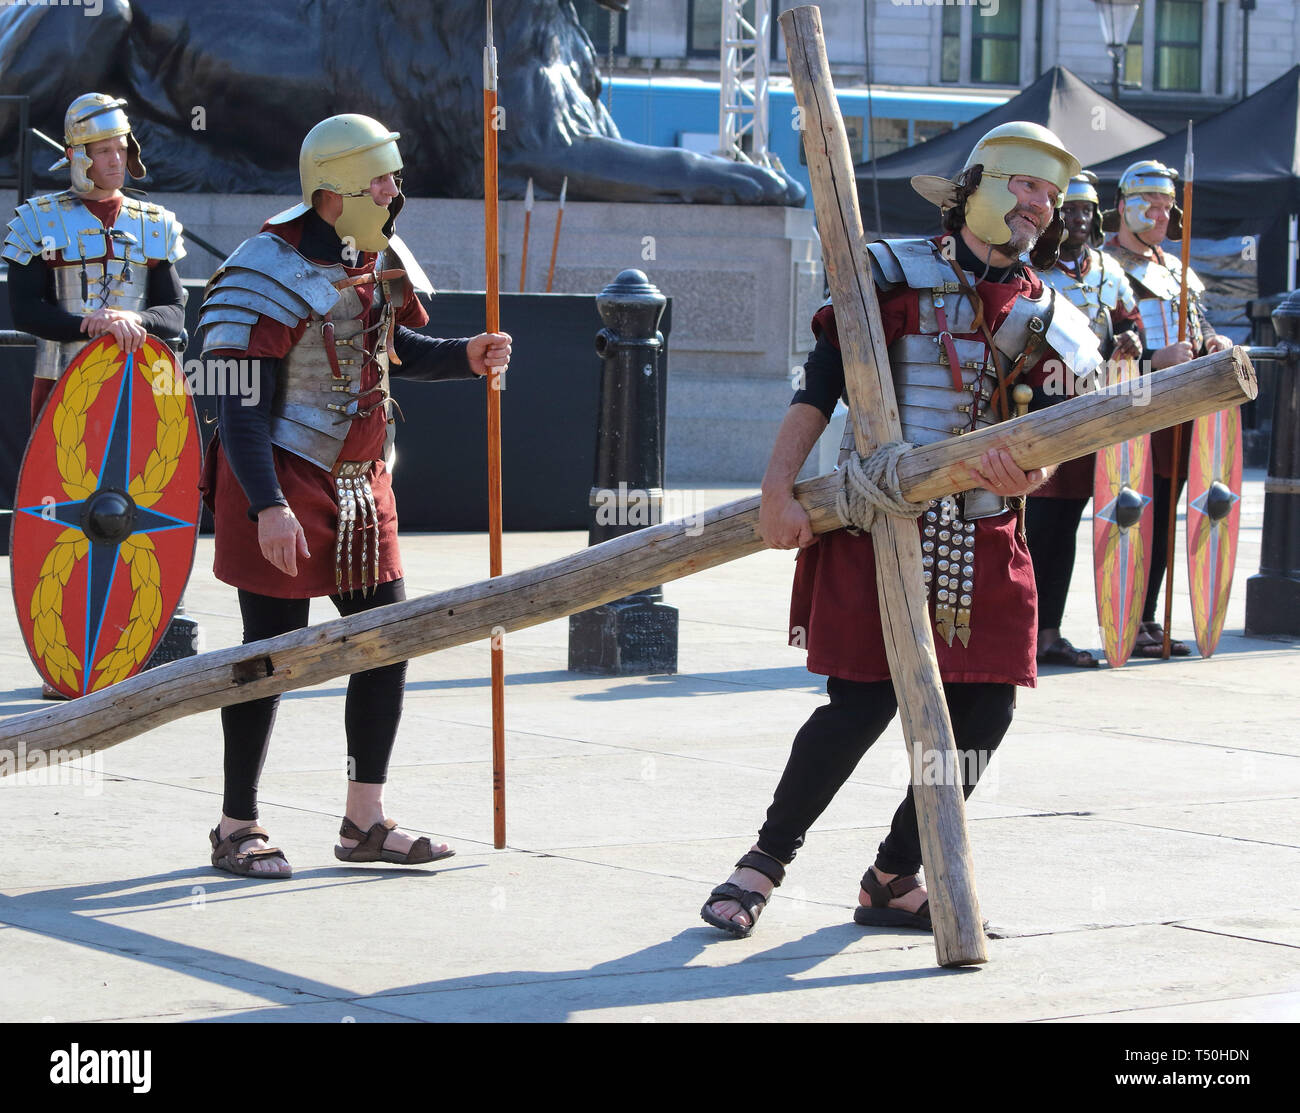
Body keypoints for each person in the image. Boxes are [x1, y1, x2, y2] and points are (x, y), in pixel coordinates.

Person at [701, 123, 1103, 937]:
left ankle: (893, 874)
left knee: (985, 712)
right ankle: (762, 862)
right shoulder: (889, 274)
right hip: (879, 521)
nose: (1040, 206)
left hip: (985, 534)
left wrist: (1032, 473)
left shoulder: (1048, 308)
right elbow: (820, 386)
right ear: (981, 183)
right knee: (860, 702)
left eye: (1051, 194)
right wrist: (778, 488)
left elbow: (1059, 434)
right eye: (1027, 185)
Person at [197, 114, 511, 878]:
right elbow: (235, 402)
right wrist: (266, 504)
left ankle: (363, 818)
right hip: (280, 475)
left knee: (387, 640)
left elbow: (391, 352)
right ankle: (237, 822)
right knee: (269, 656)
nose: (394, 191)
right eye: (381, 179)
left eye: (393, 176)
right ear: (333, 190)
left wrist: (464, 357)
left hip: (365, 483)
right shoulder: (262, 266)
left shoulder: (378, 256)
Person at [3, 93, 186, 698]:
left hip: (144, 390)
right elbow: (26, 307)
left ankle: (129, 643)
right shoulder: (37, 219)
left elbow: (175, 315)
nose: (115, 161)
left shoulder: (154, 221)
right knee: (64, 516)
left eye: (121, 149)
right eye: (103, 150)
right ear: (77, 155)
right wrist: (89, 323)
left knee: (139, 514)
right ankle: (69, 649)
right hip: (62, 384)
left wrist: (133, 324)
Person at [1102, 161, 1233, 658]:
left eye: (1166, 205)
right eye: (1150, 204)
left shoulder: (1176, 268)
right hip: (1132, 405)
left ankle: (1146, 617)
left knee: (1164, 516)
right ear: (1123, 206)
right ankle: (1122, 617)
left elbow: (1196, 328)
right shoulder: (1105, 268)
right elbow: (1103, 342)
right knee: (1130, 514)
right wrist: (1155, 358)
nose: (1162, 214)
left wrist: (1211, 342)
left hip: (1181, 405)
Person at [1028, 171, 1144, 668]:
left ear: (1096, 217)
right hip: (1037, 410)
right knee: (1032, 531)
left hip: (1089, 411)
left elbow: (1129, 326)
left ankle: (1049, 632)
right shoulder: (1032, 270)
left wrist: (1130, 343)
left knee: (1066, 527)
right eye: (1068, 210)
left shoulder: (1109, 270)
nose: (1076, 220)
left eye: (1084, 211)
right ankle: (1022, 631)